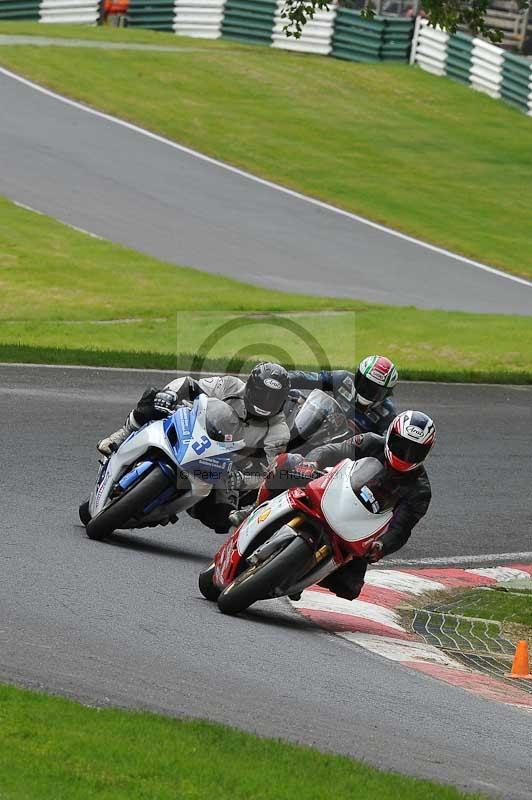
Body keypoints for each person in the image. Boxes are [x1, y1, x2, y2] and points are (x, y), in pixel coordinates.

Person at [231, 410, 434, 600]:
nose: (405, 455)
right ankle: (254, 509)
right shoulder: (371, 442)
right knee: (286, 463)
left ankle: (300, 575)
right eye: (401, 445)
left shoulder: (420, 490)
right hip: (334, 492)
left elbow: (401, 529)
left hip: (359, 529)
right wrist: (312, 463)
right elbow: (333, 450)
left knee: (349, 587)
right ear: (390, 435)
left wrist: (382, 546)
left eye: (414, 451)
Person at [97, 362, 291, 533]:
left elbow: (267, 474)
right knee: (154, 396)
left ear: (282, 401)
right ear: (250, 387)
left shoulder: (279, 432)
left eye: (272, 399)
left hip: (222, 468)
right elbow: (189, 384)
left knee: (221, 518)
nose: (265, 402)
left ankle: (165, 510)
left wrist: (242, 479)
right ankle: (120, 436)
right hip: (193, 431)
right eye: (261, 394)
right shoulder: (231, 385)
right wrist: (170, 393)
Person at [287, 355, 398, 435]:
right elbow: (308, 378)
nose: (367, 391)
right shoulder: (343, 379)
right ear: (358, 376)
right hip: (319, 431)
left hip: (346, 453)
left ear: (387, 394)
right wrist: (284, 377)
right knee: (295, 395)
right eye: (365, 384)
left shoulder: (387, 414)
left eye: (375, 390)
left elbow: (385, 445)